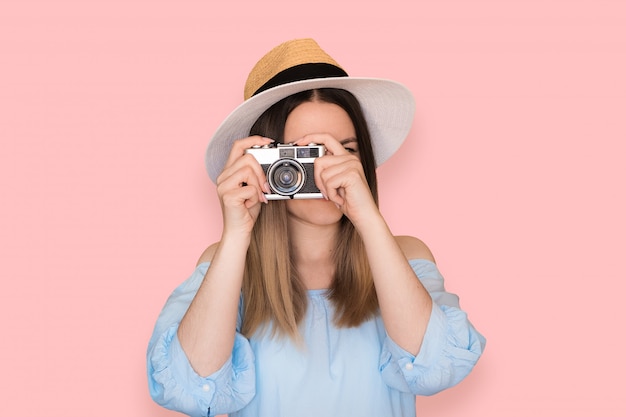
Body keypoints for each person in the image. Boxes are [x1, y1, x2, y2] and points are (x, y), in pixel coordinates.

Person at [147, 38, 485, 417]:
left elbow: (438, 366)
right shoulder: (228, 264)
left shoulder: (405, 254)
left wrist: (369, 219)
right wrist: (236, 236)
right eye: (303, 157)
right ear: (263, 162)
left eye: (344, 151)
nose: (326, 173)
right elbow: (192, 389)